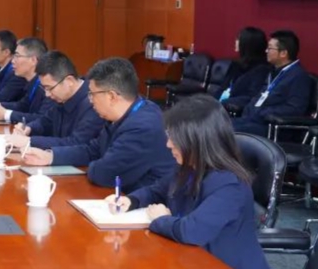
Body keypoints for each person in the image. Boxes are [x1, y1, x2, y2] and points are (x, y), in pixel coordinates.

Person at [106, 95, 269, 269]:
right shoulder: (189, 166)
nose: (168, 144)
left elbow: (191, 231)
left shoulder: (230, 185)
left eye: (175, 138)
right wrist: (131, 200)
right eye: (169, 135)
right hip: (189, 257)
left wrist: (162, 219)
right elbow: (158, 190)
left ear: (198, 141)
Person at [23, 57, 176, 192]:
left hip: (143, 204)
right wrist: (50, 156)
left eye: (92, 94)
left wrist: (95, 165)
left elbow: (104, 174)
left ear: (111, 97)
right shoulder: (125, 113)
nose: (90, 100)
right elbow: (93, 150)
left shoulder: (143, 127)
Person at [5, 51, 104, 150]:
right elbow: (45, 121)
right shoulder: (62, 97)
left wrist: (29, 141)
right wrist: (28, 128)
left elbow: (76, 143)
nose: (47, 94)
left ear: (69, 81)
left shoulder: (94, 103)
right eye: (44, 88)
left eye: (49, 88)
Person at [232, 30, 311, 137]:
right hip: (253, 119)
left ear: (283, 53)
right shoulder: (273, 71)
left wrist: (264, 112)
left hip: (273, 127)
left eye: (270, 48)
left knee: (227, 130)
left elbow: (295, 109)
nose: (266, 51)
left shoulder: (299, 76)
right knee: (217, 125)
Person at [0, 38, 53, 124]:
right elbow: (23, 106)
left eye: (17, 56)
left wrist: (6, 114)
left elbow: (42, 119)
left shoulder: (47, 86)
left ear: (33, 60)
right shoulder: (32, 82)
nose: (12, 61)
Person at [220, 27, 271, 111]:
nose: (236, 42)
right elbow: (223, 87)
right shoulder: (236, 64)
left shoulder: (262, 69)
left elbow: (251, 97)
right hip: (220, 106)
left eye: (239, 39)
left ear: (248, 44)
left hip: (236, 109)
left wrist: (223, 103)